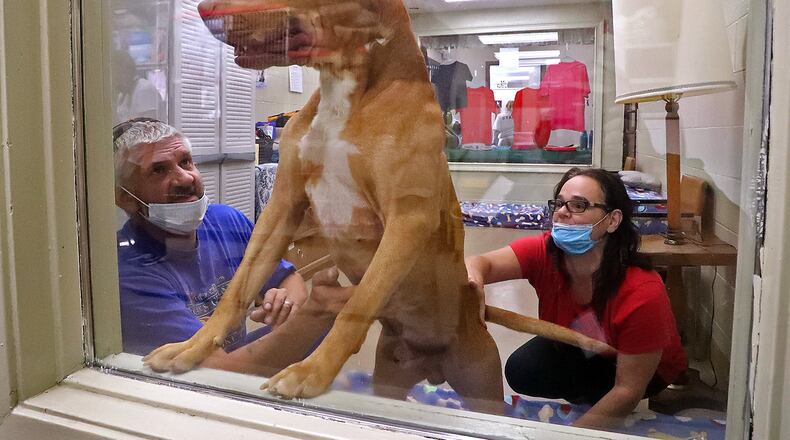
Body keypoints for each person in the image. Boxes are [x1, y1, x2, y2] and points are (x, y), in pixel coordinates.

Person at [114, 118, 348, 374]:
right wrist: (314, 318)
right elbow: (221, 374)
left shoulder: (226, 221)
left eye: (185, 162)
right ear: (125, 197)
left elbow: (290, 282)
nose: (184, 178)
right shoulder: (130, 272)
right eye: (158, 170)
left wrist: (283, 304)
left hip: (232, 364)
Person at [465, 168, 687, 428]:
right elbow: (479, 262)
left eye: (578, 205)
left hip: (642, 364)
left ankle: (596, 403)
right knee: (523, 369)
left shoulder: (643, 291)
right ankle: (591, 397)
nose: (561, 212)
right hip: (581, 340)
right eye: (558, 203)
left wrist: (570, 436)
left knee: (609, 391)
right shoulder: (545, 251)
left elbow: (628, 389)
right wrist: (474, 282)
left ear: (613, 220)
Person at [113, 50, 166, 124]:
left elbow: (149, 130)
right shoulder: (122, 96)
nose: (113, 81)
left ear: (126, 71)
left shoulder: (144, 90)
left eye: (115, 75)